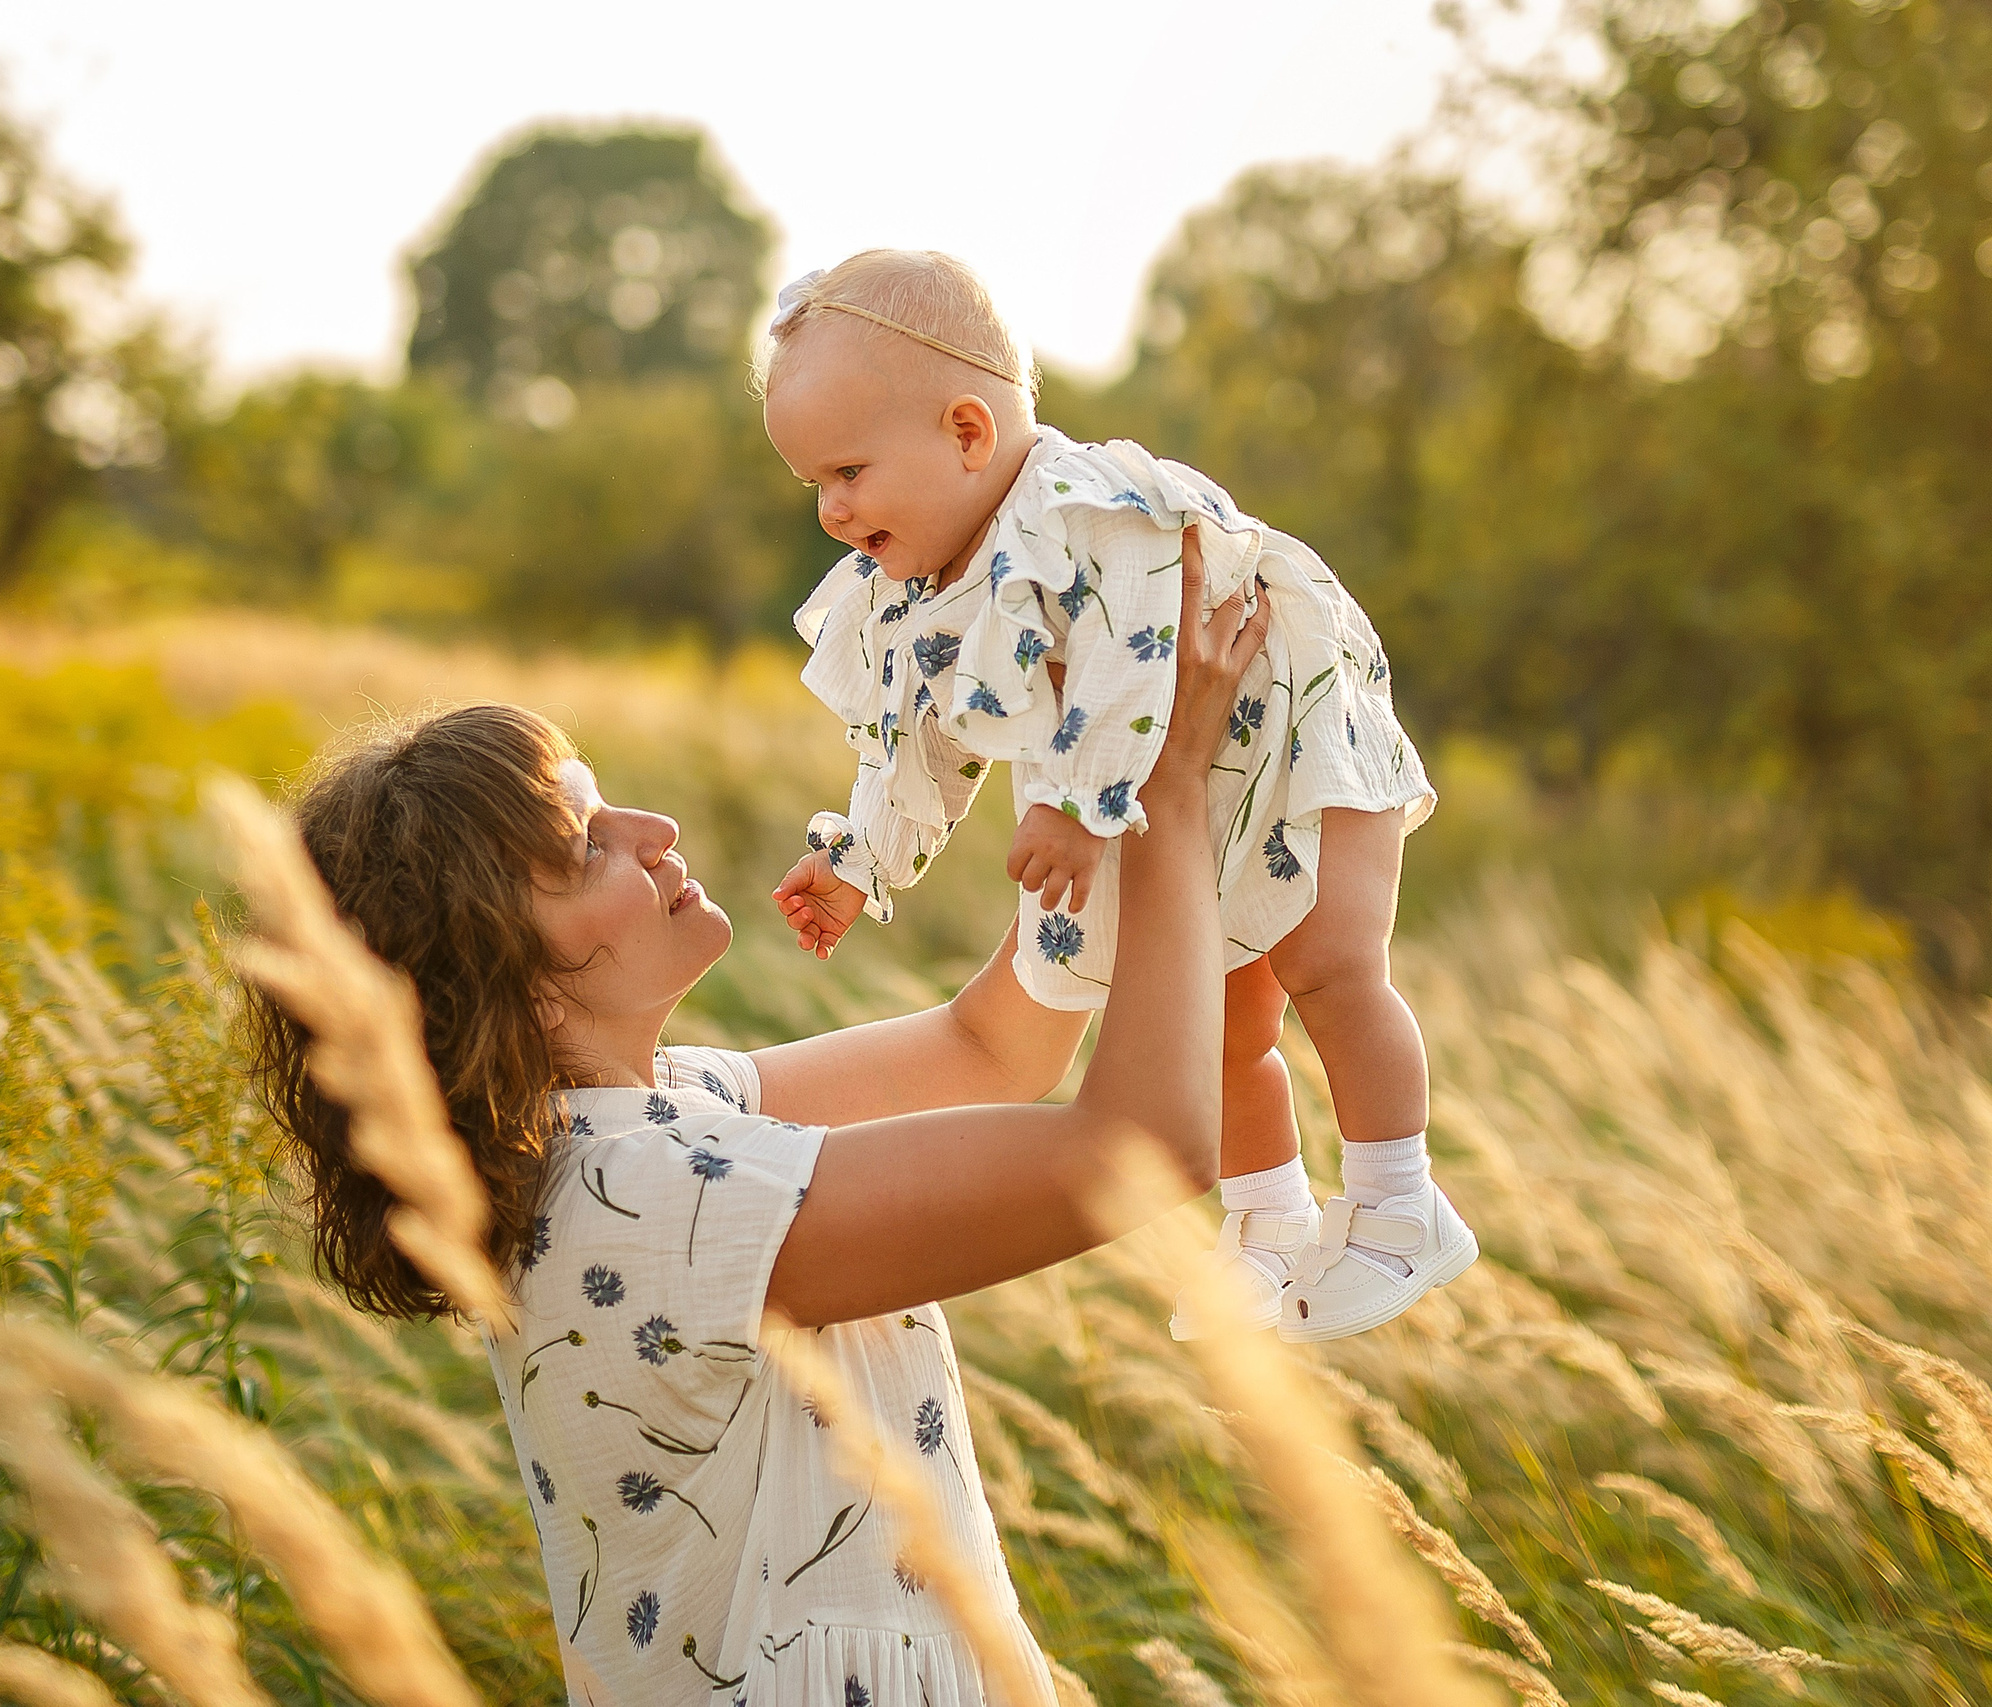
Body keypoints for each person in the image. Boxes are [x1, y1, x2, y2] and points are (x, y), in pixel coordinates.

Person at [244, 533, 1261, 1705]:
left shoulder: (652, 1119)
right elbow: (1141, 1154)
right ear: (507, 974)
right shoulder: (644, 1202)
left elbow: (992, 1047)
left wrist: (1080, 766)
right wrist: (1168, 791)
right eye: (587, 849)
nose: (655, 830)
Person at [761, 248, 1471, 1345]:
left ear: (966, 432)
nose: (831, 511)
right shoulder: (917, 588)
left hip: (1291, 734)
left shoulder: (1093, 512)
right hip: (1180, 792)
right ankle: (1269, 1223)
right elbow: (917, 740)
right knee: (1218, 1018)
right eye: (813, 485)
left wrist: (1076, 805)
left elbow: (1141, 659)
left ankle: (1398, 1202)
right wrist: (860, 859)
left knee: (1329, 965)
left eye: (847, 473)